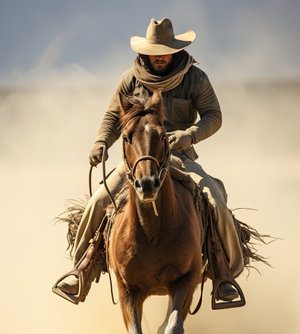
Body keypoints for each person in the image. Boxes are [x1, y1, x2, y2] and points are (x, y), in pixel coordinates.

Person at [57, 18, 244, 301]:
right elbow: (112, 116)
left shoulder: (195, 78)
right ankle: (81, 269)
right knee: (97, 202)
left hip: (179, 156)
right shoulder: (130, 80)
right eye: (154, 51)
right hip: (138, 159)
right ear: (146, 51)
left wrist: (189, 135)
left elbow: (213, 116)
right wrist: (100, 142)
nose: (159, 57)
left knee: (214, 200)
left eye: (164, 51)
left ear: (175, 50)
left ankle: (224, 272)